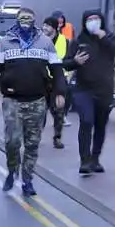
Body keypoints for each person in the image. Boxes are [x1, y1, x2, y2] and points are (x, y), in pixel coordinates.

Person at [0, 7, 66, 196]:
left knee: (32, 144)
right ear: (17, 20)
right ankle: (12, 169)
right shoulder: (5, 42)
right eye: (22, 18)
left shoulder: (45, 42)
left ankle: (27, 179)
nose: (25, 21)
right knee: (13, 141)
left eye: (29, 18)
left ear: (34, 20)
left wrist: (59, 92)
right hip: (12, 101)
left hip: (37, 100)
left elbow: (57, 70)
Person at [63, 10, 115, 174]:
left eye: (96, 19)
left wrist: (103, 37)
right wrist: (75, 62)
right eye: (89, 20)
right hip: (84, 89)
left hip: (105, 90)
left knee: (100, 125)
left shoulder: (109, 37)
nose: (93, 22)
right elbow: (66, 63)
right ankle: (84, 160)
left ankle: (95, 159)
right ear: (84, 22)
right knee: (86, 120)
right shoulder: (78, 41)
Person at [42, 17, 70, 148]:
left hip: (58, 80)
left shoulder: (63, 41)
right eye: (44, 26)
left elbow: (63, 58)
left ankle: (57, 138)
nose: (44, 28)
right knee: (40, 111)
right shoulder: (39, 40)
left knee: (58, 111)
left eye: (47, 26)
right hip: (42, 80)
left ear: (54, 28)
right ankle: (35, 137)